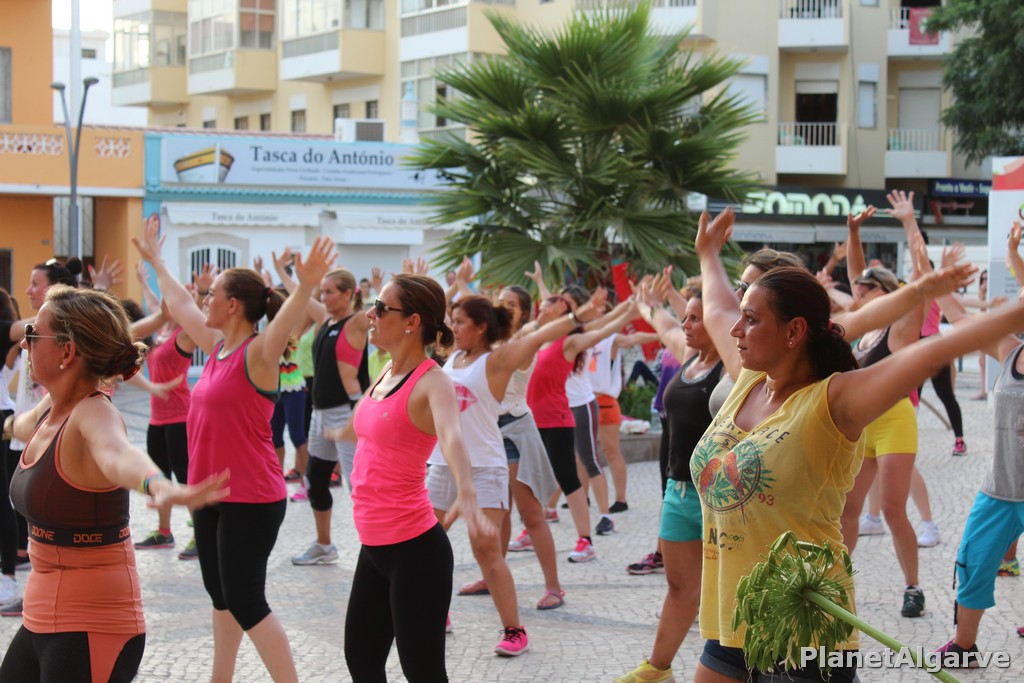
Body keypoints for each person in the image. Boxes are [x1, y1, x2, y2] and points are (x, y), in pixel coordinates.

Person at [690, 209, 1014, 683]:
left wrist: (931, 293)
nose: (735, 329)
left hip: (805, 630)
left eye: (751, 320)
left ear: (794, 331)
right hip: (733, 619)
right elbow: (717, 305)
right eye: (741, 317)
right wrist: (707, 254)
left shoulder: (834, 400)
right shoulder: (748, 379)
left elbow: (937, 349)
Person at [134, 215, 336, 682]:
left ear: (233, 305)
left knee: (246, 599)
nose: (204, 300)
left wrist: (306, 285)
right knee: (221, 595)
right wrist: (157, 262)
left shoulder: (259, 354)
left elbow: (284, 321)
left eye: (212, 294)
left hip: (251, 497)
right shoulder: (217, 347)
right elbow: (179, 303)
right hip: (207, 493)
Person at [0, 285, 226, 683]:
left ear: (67, 352)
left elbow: (118, 454)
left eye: (33, 334)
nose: (24, 343)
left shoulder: (93, 413)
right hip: (41, 616)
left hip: (93, 623)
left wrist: (157, 484)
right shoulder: (51, 408)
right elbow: (18, 425)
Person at [330, 274, 491, 682]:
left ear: (412, 321)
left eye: (380, 308)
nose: (370, 314)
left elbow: (451, 435)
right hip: (374, 547)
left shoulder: (433, 381)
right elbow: (372, 429)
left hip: (415, 553)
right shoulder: (386, 371)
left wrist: (466, 490)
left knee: (422, 672)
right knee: (362, 660)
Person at [616, 285, 723, 683]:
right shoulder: (689, 355)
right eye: (686, 317)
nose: (686, 324)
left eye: (696, 318)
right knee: (680, 588)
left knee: (725, 591)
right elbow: (664, 325)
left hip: (718, 497)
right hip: (677, 492)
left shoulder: (733, 368)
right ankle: (658, 669)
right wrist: (645, 304)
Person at [931, 272, 1024, 667]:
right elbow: (960, 319)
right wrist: (932, 279)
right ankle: (963, 647)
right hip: (1000, 489)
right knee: (973, 562)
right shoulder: (1010, 350)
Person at [272, 258, 370, 567]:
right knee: (315, 479)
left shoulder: (356, 322)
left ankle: (375, 550)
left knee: (359, 487)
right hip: (321, 413)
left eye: (330, 292)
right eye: (323, 292)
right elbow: (300, 295)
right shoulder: (326, 319)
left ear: (348, 293)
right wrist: (284, 274)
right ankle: (324, 545)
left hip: (347, 413)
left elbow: (385, 312)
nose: (324, 297)